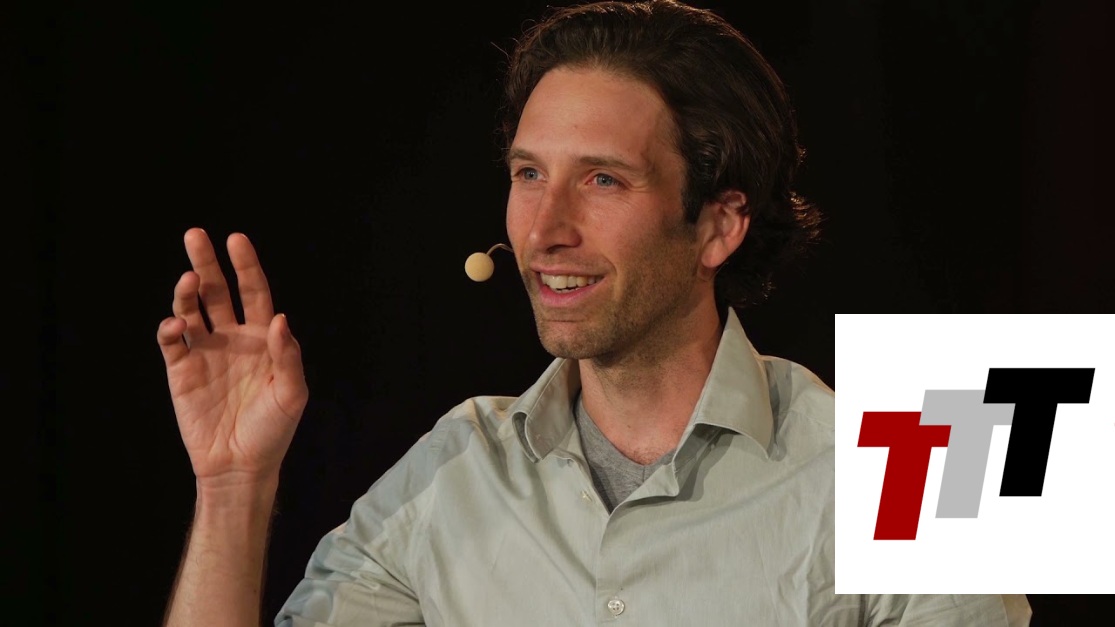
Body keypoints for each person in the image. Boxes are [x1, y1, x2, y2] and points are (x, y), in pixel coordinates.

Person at [158, 1, 1031, 625]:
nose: (545, 229)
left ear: (718, 224)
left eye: (603, 179)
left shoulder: (915, 456)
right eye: (528, 174)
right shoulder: (454, 467)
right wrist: (233, 486)